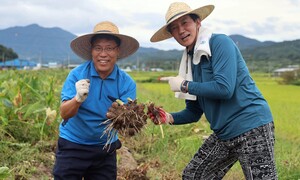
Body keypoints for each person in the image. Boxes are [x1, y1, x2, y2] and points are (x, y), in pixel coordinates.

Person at [149, 2, 277, 180]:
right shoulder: (189, 62)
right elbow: (193, 112)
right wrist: (168, 117)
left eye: (185, 23)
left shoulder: (219, 43)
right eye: (174, 28)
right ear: (172, 34)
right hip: (224, 133)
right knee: (194, 175)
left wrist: (184, 85)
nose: (181, 30)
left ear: (197, 22)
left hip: (251, 126)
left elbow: (224, 88)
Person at [53, 21, 139, 179]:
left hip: (105, 149)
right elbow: (64, 113)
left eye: (109, 48)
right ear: (91, 51)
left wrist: (122, 115)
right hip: (73, 144)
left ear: (117, 51)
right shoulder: (77, 75)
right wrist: (77, 99)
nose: (103, 54)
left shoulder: (126, 83)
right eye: (98, 48)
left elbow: (127, 121)